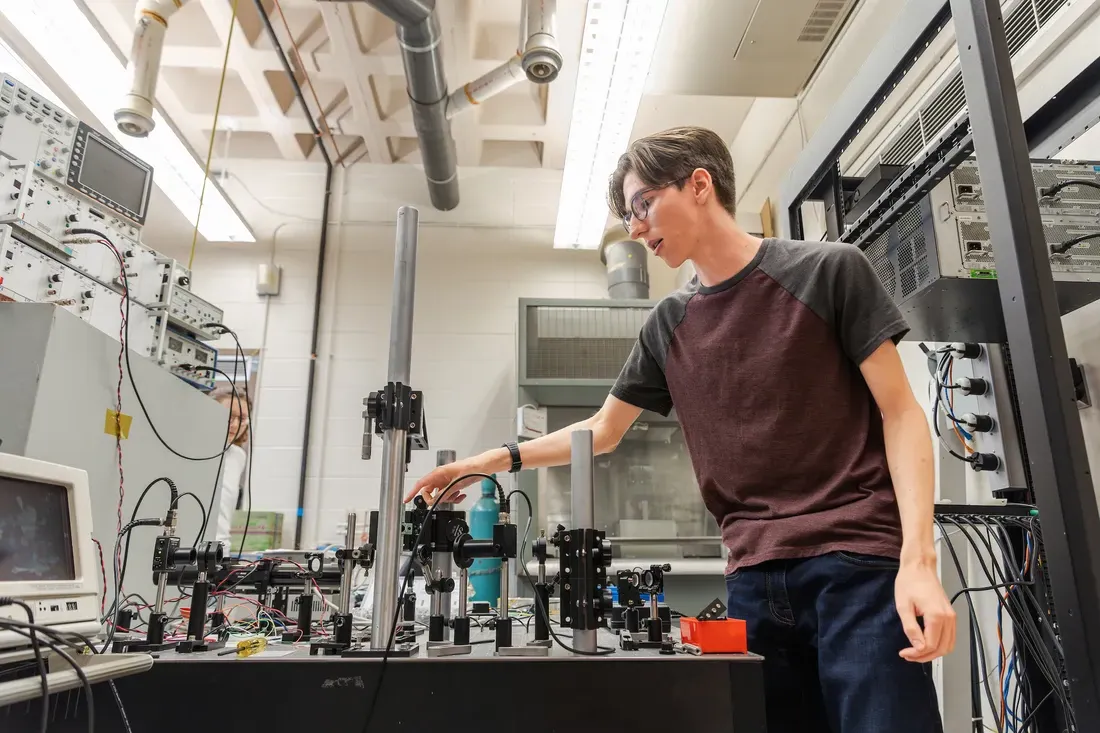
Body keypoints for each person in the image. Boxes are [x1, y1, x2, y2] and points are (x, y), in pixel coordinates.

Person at [409, 126, 954, 732]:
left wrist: (919, 561)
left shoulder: (828, 271)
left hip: (856, 567)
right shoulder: (669, 321)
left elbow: (901, 413)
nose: (636, 228)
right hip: (751, 579)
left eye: (642, 204)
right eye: (628, 215)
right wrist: (482, 463)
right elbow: (600, 432)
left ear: (699, 184)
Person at [210, 385, 250, 553]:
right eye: (229, 417)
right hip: (189, 546)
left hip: (220, 548)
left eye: (241, 419)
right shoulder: (192, 449)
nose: (235, 425)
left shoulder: (238, 456)